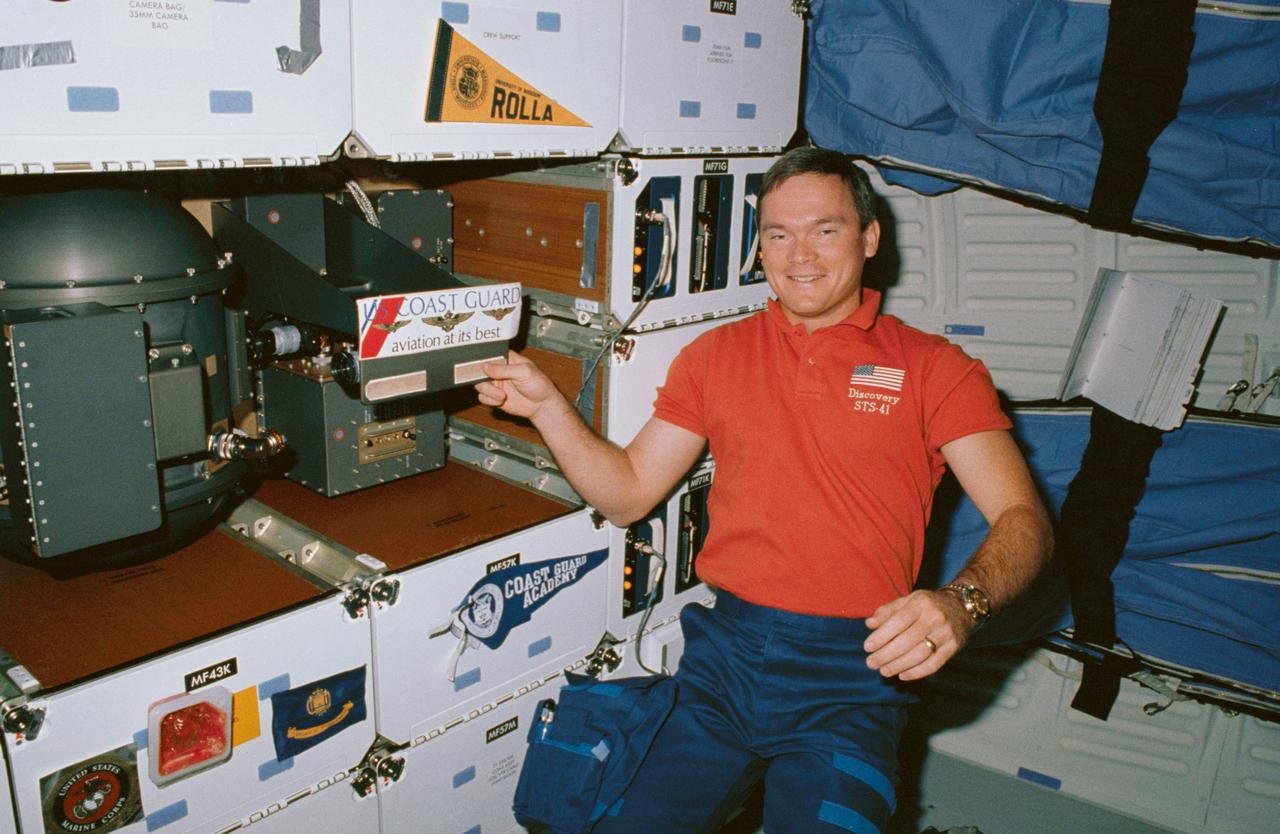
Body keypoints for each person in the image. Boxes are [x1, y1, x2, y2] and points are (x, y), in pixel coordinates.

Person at [476, 147, 1053, 834]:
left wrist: (962, 604)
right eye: (779, 233)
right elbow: (628, 493)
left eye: (825, 229)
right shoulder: (715, 358)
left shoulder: (935, 370)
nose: (800, 255)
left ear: (870, 238)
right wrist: (547, 408)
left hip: (855, 677)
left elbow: (1025, 521)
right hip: (723, 660)